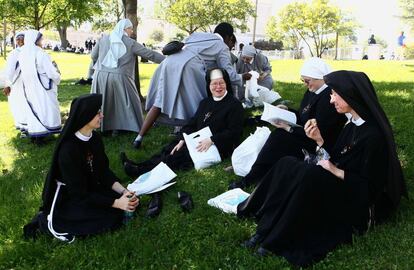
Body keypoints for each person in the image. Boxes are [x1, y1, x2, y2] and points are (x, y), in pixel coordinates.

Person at [237, 70, 407, 267]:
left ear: (351, 96)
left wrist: (335, 171)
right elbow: (335, 157)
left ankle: (276, 238)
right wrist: (319, 140)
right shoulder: (351, 123)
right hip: (336, 181)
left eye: (335, 94)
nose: (331, 99)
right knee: (287, 163)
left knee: (310, 175)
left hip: (355, 197)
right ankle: (265, 227)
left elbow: (369, 189)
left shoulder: (374, 136)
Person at [122, 68, 244, 217]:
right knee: (171, 148)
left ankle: (141, 172)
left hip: (218, 145)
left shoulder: (234, 105)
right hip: (198, 139)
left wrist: (212, 140)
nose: (218, 87)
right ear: (208, 85)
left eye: (221, 83)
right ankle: (140, 166)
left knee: (177, 157)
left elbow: (234, 132)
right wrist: (181, 138)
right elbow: (193, 123)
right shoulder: (205, 102)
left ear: (226, 84)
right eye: (214, 84)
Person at [23, 94, 139, 241]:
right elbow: (78, 193)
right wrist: (117, 203)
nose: (102, 115)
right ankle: (45, 219)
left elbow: (103, 172)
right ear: (86, 116)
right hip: (71, 197)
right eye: (98, 113)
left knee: (127, 205)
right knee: (109, 219)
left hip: (91, 189)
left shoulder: (95, 138)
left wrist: (124, 192)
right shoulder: (68, 150)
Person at [229, 57, 346, 190]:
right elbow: (304, 116)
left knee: (279, 137)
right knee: (277, 138)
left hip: (320, 144)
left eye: (307, 81)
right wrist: (287, 111)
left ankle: (251, 178)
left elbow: (319, 133)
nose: (305, 85)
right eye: (303, 81)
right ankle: (258, 173)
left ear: (320, 78)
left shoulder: (328, 99)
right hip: (305, 134)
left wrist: (289, 128)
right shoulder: (312, 90)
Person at [133, 22, 251, 148]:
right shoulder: (221, 45)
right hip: (190, 66)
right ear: (228, 37)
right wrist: (243, 76)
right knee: (200, 105)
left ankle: (138, 138)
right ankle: (191, 137)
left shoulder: (197, 35)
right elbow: (228, 72)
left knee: (160, 102)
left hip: (169, 62)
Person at [91, 19, 165, 136]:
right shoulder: (130, 43)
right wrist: (168, 60)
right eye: (130, 29)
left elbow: (93, 55)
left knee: (105, 102)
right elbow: (150, 54)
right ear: (125, 29)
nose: (132, 32)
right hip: (121, 76)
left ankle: (104, 127)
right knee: (124, 102)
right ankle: (120, 128)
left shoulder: (103, 39)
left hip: (100, 76)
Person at [17, 29, 61, 144]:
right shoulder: (40, 53)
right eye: (40, 38)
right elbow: (51, 72)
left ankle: (35, 134)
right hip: (43, 87)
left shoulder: (22, 53)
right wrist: (57, 77)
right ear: (36, 39)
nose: (42, 40)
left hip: (30, 87)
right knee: (46, 109)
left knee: (34, 109)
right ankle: (41, 135)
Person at [2, 31, 30, 136]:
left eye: (22, 38)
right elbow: (9, 70)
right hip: (17, 83)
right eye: (17, 39)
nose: (20, 41)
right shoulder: (14, 53)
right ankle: (24, 127)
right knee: (20, 104)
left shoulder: (31, 51)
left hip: (30, 83)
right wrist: (7, 85)